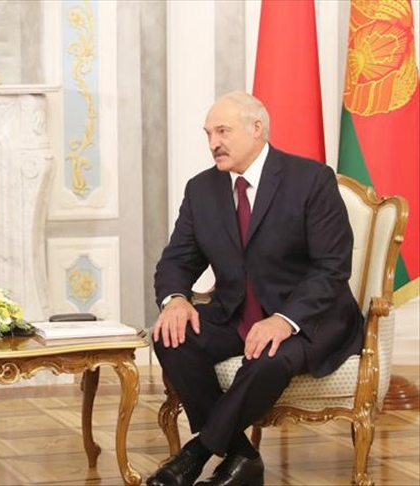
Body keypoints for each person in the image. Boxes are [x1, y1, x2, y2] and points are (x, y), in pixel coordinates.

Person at [148, 92, 363, 486]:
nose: (213, 143)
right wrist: (175, 298)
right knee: (170, 336)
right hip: (236, 313)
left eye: (223, 131)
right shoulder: (202, 189)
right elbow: (177, 259)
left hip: (309, 318)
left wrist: (284, 319)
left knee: (268, 360)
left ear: (257, 129)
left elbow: (332, 267)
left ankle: (196, 454)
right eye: (208, 133)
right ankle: (242, 456)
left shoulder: (311, 180)